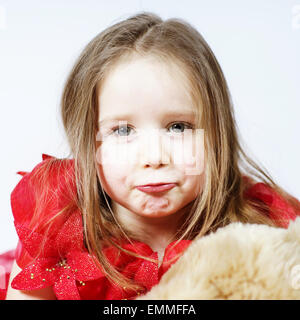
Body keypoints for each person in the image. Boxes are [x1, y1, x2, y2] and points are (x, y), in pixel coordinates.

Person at [2, 11, 300, 300]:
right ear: (89, 146)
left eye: (178, 127)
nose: (154, 158)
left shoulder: (262, 226)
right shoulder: (57, 222)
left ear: (217, 133)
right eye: (122, 131)